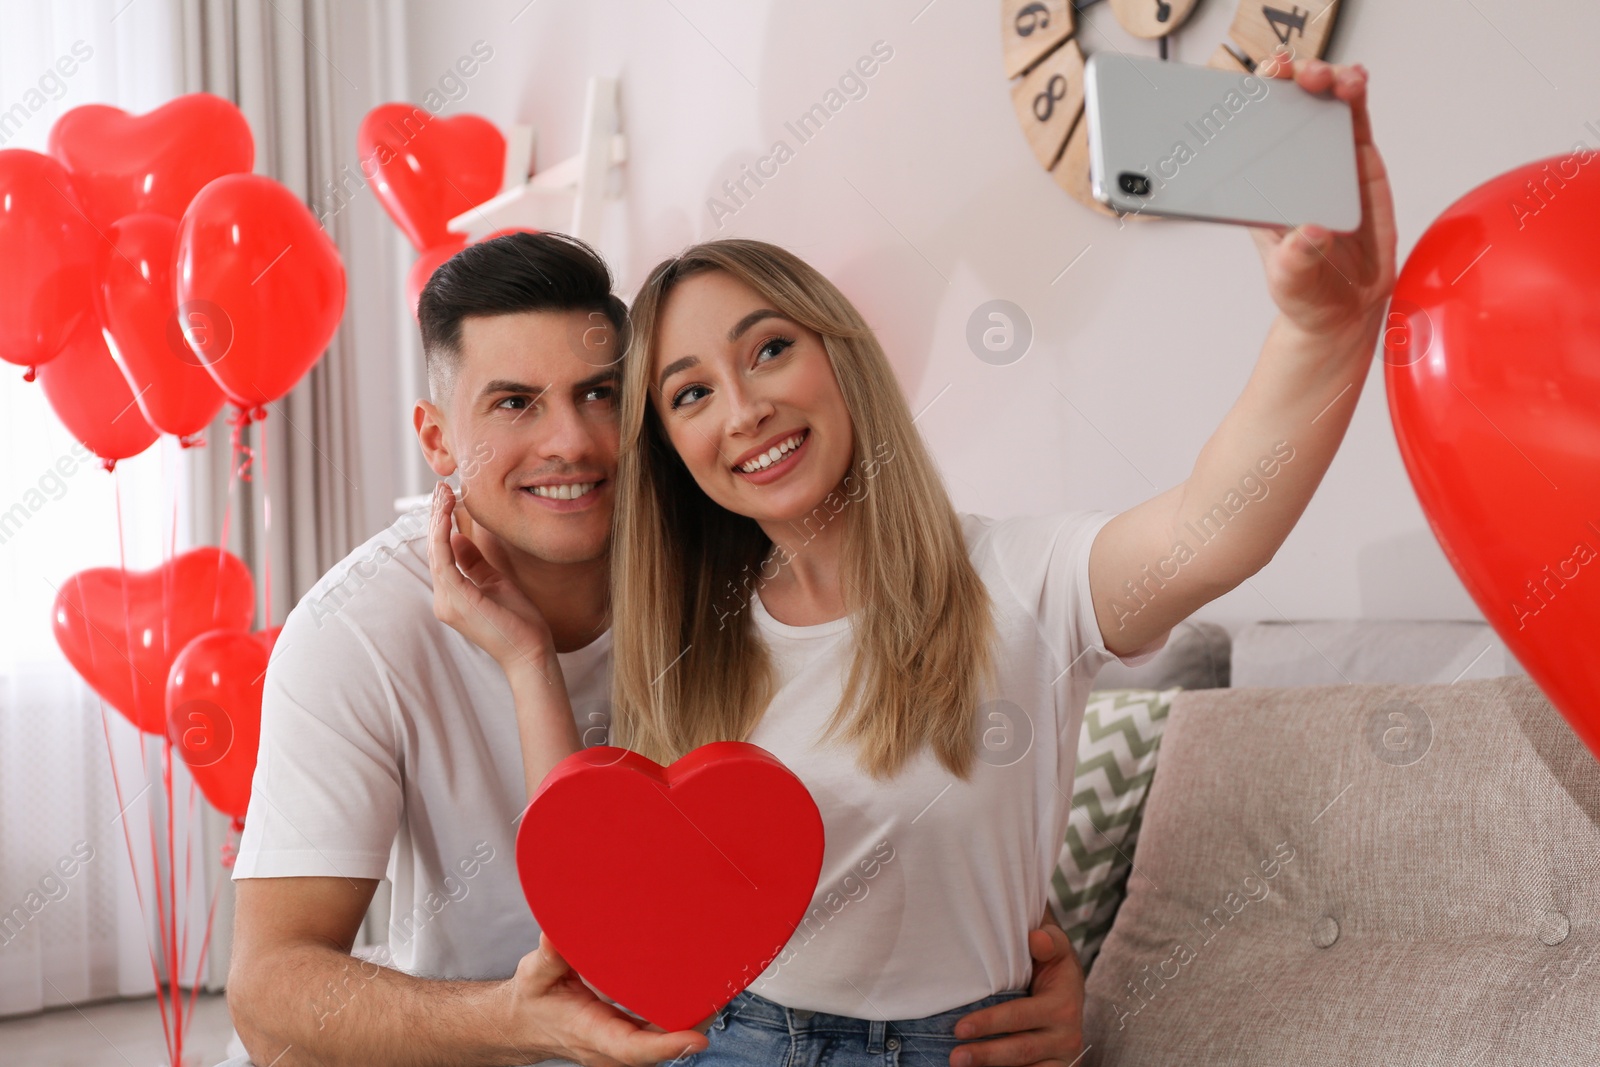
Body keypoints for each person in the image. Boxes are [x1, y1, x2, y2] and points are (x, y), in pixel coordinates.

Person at [437, 52, 1394, 1067]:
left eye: (767, 348)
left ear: (839, 354)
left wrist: (1322, 327)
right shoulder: (694, 634)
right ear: (670, 450)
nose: (745, 406)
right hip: (723, 1041)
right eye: (689, 393)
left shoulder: (1021, 578)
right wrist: (525, 657)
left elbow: (1217, 526)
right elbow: (603, 887)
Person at [223, 231, 1085, 1067]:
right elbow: (268, 999)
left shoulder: (745, 565)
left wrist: (1031, 953)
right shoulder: (355, 633)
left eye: (600, 393)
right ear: (439, 439)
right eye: (515, 402)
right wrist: (519, 1023)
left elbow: (898, 773)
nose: (573, 442)